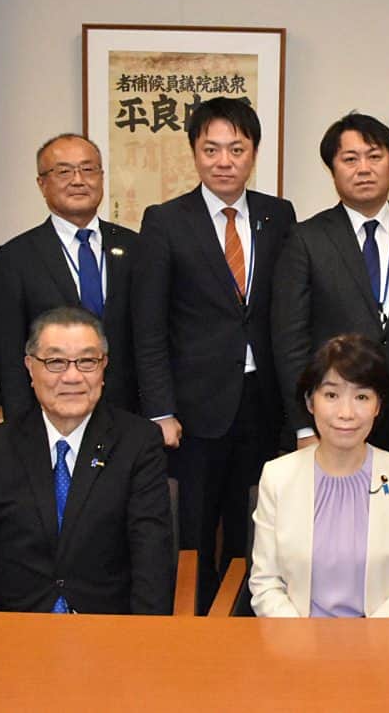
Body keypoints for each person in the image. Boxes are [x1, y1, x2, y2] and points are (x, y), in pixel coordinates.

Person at [132, 96, 296, 614]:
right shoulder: (165, 221)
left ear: (253, 154)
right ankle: (198, 632)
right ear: (194, 153)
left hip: (263, 404)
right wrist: (160, 409)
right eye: (212, 149)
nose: (224, 161)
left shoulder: (278, 215)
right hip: (193, 410)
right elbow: (148, 326)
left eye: (236, 149)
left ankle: (248, 624)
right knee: (196, 534)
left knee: (257, 529)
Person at [0, 307, 174, 614]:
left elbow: (151, 558)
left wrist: (144, 637)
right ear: (30, 368)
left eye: (87, 361)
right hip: (17, 628)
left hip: (106, 628)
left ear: (104, 367)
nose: (72, 377)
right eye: (55, 362)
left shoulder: (139, 443)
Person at [271, 113, 389, 463]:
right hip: (334, 417)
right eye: (350, 159)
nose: (364, 169)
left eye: (374, 156)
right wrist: (304, 426)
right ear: (333, 169)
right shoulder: (306, 239)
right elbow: (290, 342)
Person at [249, 334, 389, 617]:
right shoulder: (278, 477)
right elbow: (266, 583)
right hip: (296, 636)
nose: (346, 413)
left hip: (382, 637)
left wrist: (370, 638)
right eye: (331, 395)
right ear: (310, 402)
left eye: (361, 397)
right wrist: (301, 637)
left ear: (378, 406)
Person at [0, 133, 138, 423]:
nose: (78, 180)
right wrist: (20, 425)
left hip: (128, 413)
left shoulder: (135, 246)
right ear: (41, 183)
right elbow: (9, 354)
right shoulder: (16, 256)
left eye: (88, 169)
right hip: (51, 414)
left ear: (101, 177)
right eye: (64, 172)